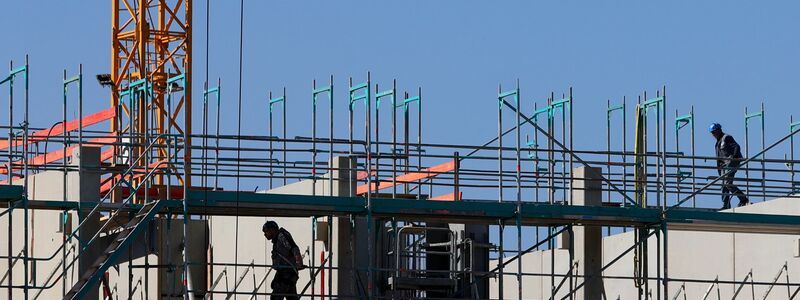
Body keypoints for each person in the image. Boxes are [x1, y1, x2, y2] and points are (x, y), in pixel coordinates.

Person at [709, 123, 750, 209]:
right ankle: (726, 205)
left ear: (719, 130)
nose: (714, 134)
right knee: (724, 185)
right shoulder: (717, 144)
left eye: (715, 132)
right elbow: (719, 157)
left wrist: (734, 156)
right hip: (724, 165)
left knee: (727, 183)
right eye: (712, 133)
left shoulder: (727, 138)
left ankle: (743, 199)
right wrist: (719, 167)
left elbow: (736, 146)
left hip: (732, 162)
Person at [263, 220, 304, 300]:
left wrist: (299, 264)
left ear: (272, 230)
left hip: (287, 273)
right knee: (291, 297)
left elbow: (294, 248)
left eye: (266, 231)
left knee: (276, 297)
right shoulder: (278, 239)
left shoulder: (281, 236)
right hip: (286, 273)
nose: (265, 234)